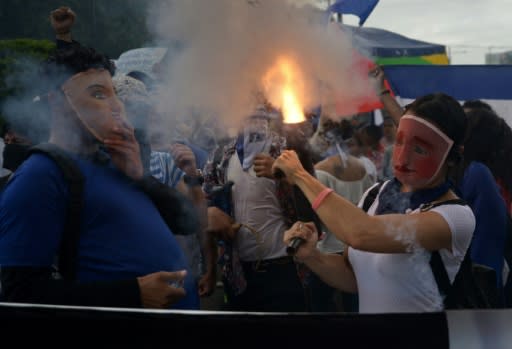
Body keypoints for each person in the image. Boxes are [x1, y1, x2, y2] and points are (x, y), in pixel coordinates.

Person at [0, 45, 199, 309]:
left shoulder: (115, 161)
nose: (116, 107)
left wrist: (140, 177)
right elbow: (20, 295)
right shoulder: (40, 176)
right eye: (97, 94)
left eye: (114, 94)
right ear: (57, 103)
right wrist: (132, 294)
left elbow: (188, 222)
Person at [273, 93, 476, 313]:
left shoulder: (455, 217)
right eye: (399, 141)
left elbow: (361, 234)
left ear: (452, 157)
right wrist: (313, 256)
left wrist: (301, 176)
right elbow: (354, 278)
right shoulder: (375, 194)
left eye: (419, 149)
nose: (402, 158)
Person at [204, 104, 320, 312]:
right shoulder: (222, 156)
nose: (253, 120)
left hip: (284, 269)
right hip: (239, 274)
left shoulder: (288, 153)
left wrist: (285, 176)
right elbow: (207, 209)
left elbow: (314, 206)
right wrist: (211, 269)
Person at [112, 74, 216, 299]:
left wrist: (191, 176)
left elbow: (197, 219)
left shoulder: (165, 162)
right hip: (124, 284)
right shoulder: (97, 167)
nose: (138, 122)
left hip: (174, 280)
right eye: (130, 111)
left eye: (142, 111)